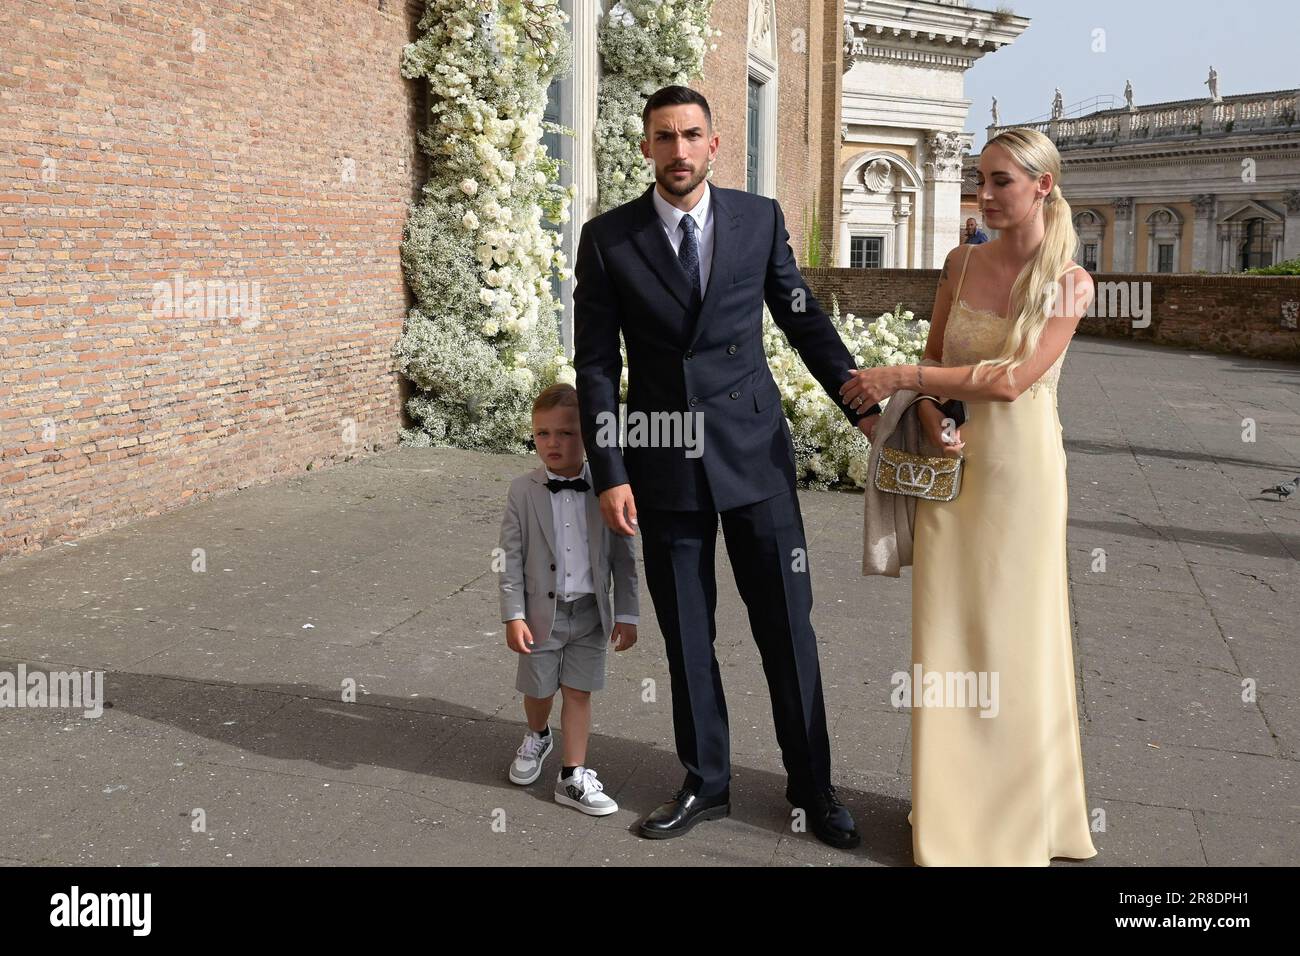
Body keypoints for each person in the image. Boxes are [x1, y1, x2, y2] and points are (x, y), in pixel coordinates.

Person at [573, 85, 880, 848]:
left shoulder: (758, 219)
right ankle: (706, 782)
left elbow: (804, 321)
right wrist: (610, 471)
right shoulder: (608, 239)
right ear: (645, 147)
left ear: (715, 144)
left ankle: (813, 787)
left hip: (755, 460)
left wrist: (867, 411)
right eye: (664, 137)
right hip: (662, 460)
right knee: (687, 632)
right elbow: (596, 367)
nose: (678, 150)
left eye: (692, 135)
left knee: (788, 629)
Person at [839, 127, 1100, 866]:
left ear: (1042, 186)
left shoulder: (1070, 283)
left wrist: (903, 383)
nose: (982, 196)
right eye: (978, 180)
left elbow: (1013, 380)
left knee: (1015, 639)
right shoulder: (959, 261)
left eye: (999, 183)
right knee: (948, 635)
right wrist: (927, 412)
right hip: (953, 472)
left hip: (1021, 477)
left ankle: (1020, 823)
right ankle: (953, 814)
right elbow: (936, 356)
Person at [497, 383, 640, 816]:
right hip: (542, 613)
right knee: (539, 688)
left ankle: (572, 775)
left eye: (566, 433)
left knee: (579, 692)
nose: (553, 443)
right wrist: (513, 615)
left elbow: (624, 556)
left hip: (591, 614)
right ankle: (538, 735)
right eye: (543, 434)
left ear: (588, 437)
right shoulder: (522, 491)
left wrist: (628, 612)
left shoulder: (609, 488)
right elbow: (510, 559)